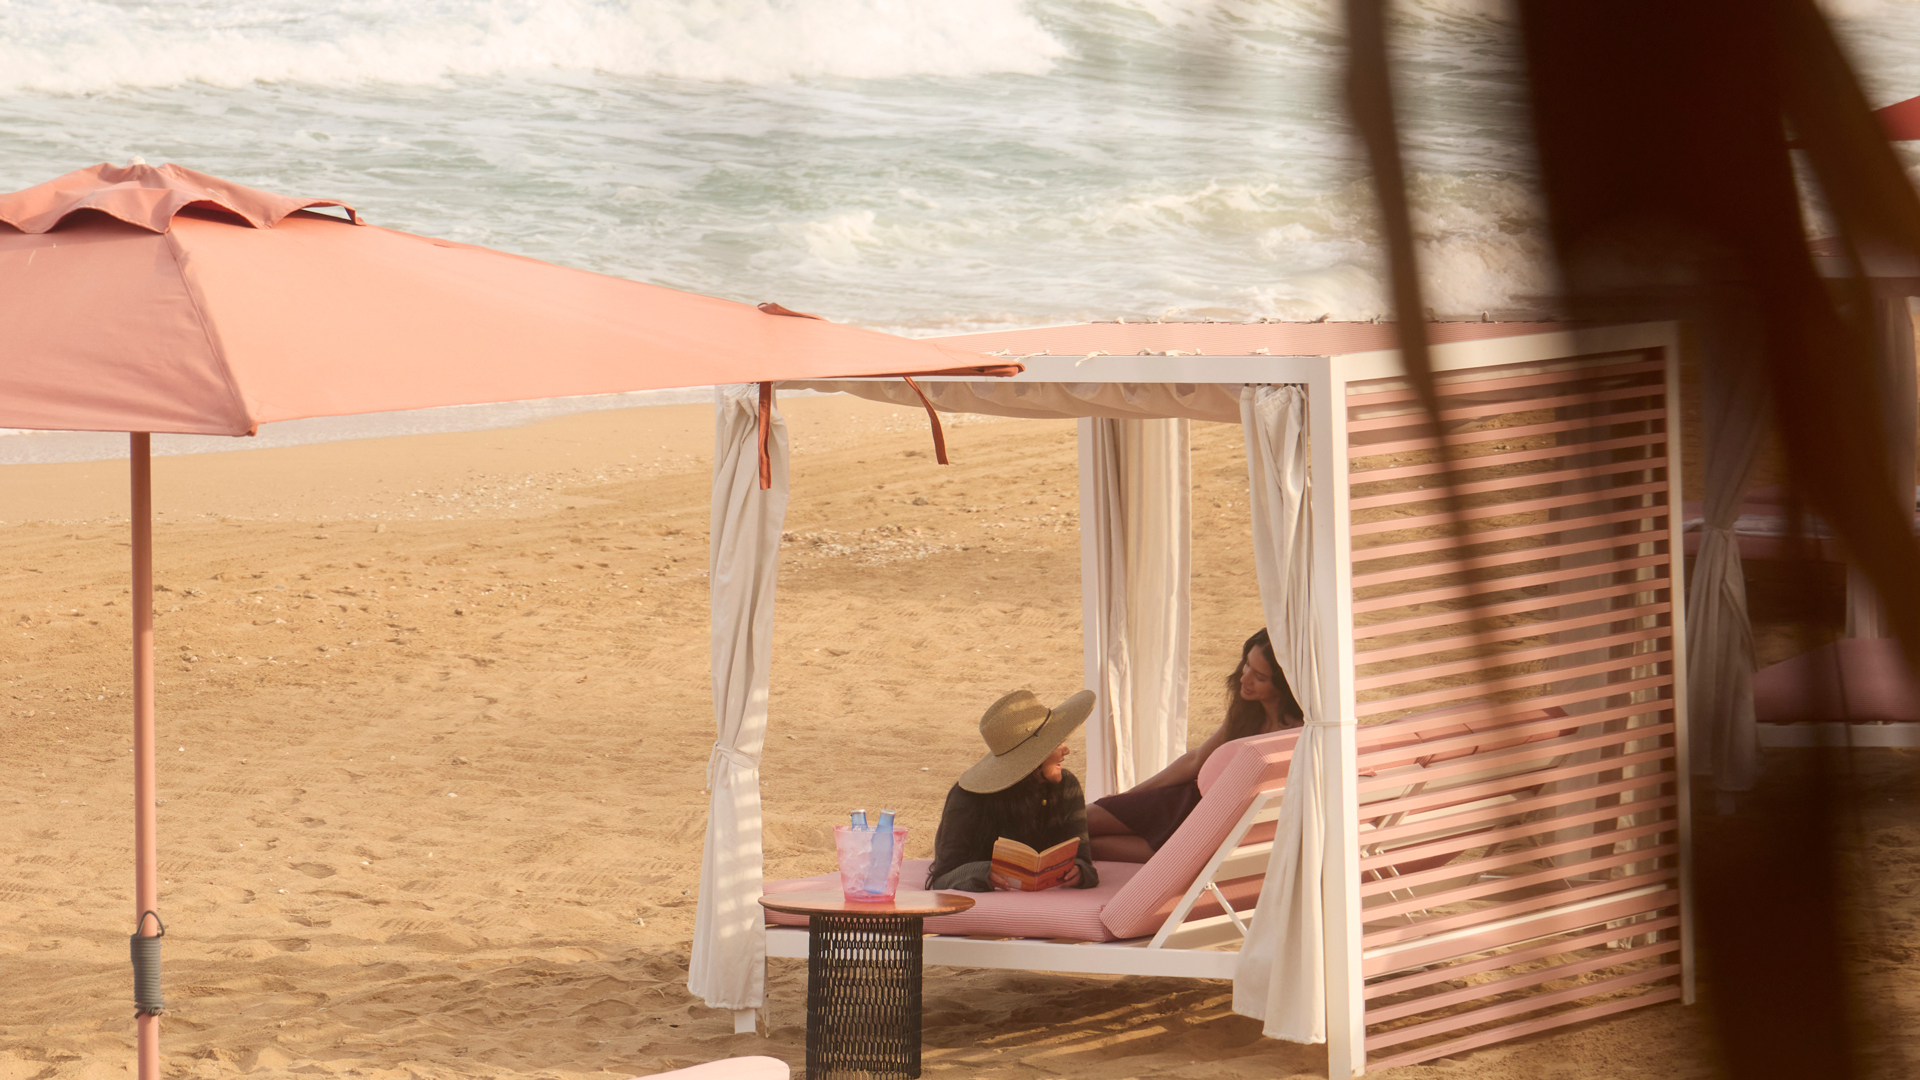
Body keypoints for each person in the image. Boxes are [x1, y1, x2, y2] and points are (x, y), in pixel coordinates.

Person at [1086, 628, 1302, 862]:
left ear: (1285, 685)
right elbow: (1196, 759)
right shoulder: (1247, 710)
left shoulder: (1299, 732)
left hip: (1209, 826)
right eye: (1246, 664)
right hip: (1184, 799)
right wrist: (1130, 796)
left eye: (1259, 677)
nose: (1244, 678)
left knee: (1084, 846)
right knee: (1077, 823)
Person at [925, 688, 1100, 892]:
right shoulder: (968, 798)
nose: (1066, 750)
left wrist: (1080, 872)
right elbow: (942, 879)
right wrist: (983, 873)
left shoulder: (1066, 786)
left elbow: (1084, 861)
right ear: (1031, 758)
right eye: (1055, 743)